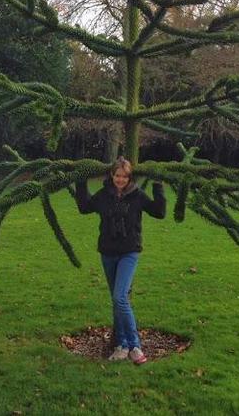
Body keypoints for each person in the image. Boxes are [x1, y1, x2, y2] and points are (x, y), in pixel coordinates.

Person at [75, 156, 166, 365]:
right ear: (112, 175)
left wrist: (158, 184)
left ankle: (135, 346)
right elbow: (85, 207)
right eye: (117, 175)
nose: (120, 180)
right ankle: (121, 345)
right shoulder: (104, 195)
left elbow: (159, 212)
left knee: (120, 297)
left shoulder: (136, 195)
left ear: (129, 177)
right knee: (117, 300)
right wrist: (80, 181)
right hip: (107, 251)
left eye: (125, 176)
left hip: (129, 252)